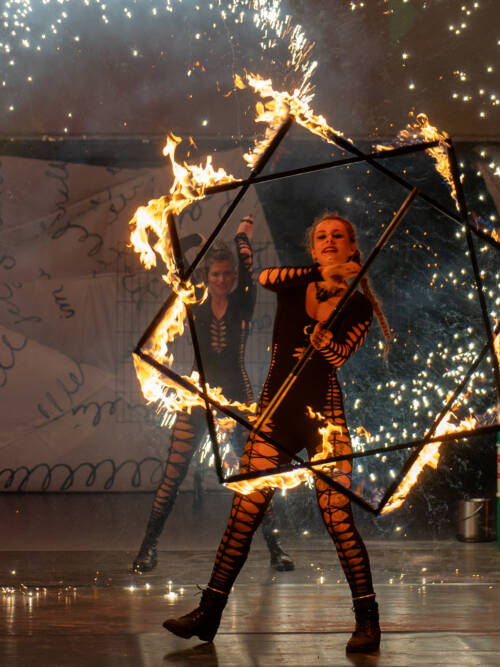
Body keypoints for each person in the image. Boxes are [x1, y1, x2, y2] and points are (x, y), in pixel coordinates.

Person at [162, 214, 391, 654]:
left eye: (337, 236)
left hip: (323, 416)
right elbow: (264, 275)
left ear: (352, 248)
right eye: (321, 235)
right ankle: (208, 612)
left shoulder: (358, 306)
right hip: (275, 413)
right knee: (243, 515)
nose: (328, 241)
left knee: (338, 519)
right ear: (313, 248)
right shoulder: (292, 281)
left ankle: (368, 621)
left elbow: (341, 357)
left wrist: (325, 343)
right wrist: (319, 274)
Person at [132, 217, 294, 574]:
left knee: (255, 475)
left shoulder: (244, 301)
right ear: (208, 276)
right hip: (197, 396)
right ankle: (148, 547)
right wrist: (195, 237)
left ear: (234, 278)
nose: (222, 280)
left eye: (227, 275)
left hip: (237, 395)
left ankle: (276, 548)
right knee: (173, 474)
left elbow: (249, 268)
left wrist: (241, 238)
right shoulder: (195, 300)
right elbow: (175, 259)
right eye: (216, 274)